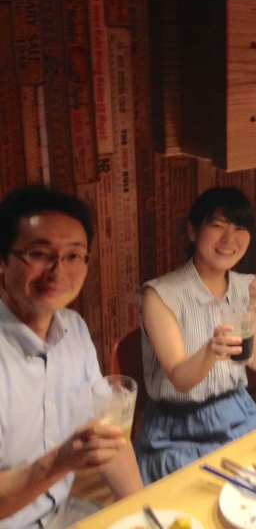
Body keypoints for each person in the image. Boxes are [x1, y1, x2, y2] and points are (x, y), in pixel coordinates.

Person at [0, 185, 143, 527]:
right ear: (2, 261)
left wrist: (147, 513)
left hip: (60, 514)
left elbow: (111, 436)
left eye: (73, 256)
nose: (58, 271)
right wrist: (58, 462)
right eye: (39, 253)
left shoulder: (74, 330)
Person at [135, 187, 256, 485]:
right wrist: (210, 351)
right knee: (208, 496)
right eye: (218, 225)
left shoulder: (247, 286)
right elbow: (181, 379)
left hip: (237, 410)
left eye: (239, 228)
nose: (229, 239)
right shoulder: (161, 295)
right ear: (193, 231)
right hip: (177, 427)